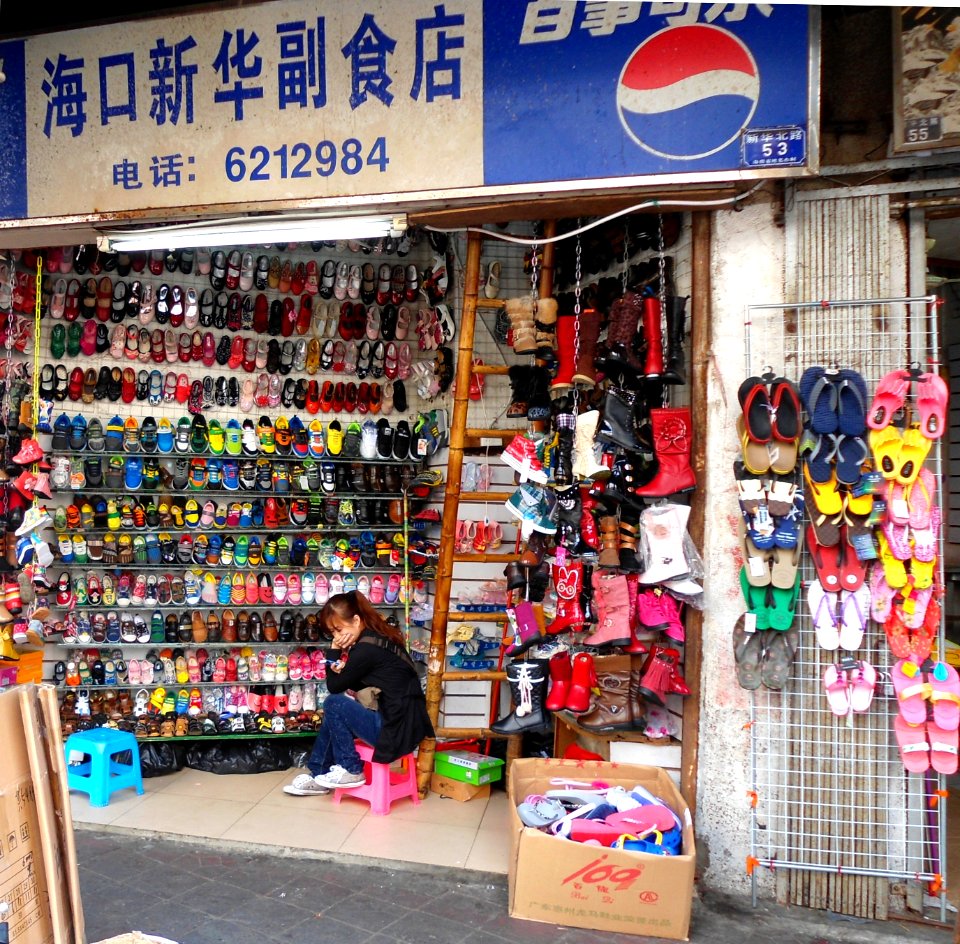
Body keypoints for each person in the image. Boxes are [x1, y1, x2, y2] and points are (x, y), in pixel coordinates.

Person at [284, 590, 434, 795]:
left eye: (338, 630)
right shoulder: (379, 636)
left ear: (356, 620)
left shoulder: (365, 650)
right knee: (337, 709)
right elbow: (350, 682)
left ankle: (351, 769)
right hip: (405, 723)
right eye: (333, 633)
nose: (337, 637)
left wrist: (334, 648)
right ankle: (319, 775)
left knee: (334, 703)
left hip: (395, 731)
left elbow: (334, 686)